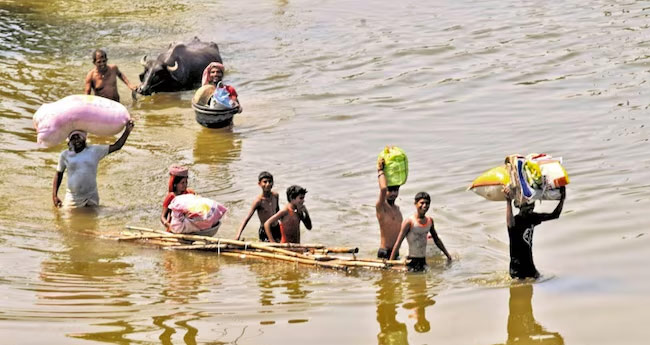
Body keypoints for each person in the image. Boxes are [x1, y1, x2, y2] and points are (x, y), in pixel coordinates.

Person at [52, 120, 134, 208]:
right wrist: (54, 196)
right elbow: (58, 174)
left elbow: (117, 146)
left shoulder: (94, 150)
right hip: (73, 198)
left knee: (93, 220)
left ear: (84, 138)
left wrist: (127, 131)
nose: (76, 140)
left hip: (92, 196)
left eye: (78, 137)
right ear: (69, 142)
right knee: (67, 219)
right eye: (73, 138)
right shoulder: (65, 155)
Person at [504, 185, 566, 279]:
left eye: (532, 204)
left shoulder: (532, 218)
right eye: (529, 205)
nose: (532, 207)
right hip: (517, 269)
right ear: (520, 206)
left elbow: (555, 215)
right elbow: (509, 223)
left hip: (530, 267)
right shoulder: (515, 222)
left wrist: (562, 198)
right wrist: (508, 201)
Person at [389, 192, 452, 272]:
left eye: (427, 203)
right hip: (411, 261)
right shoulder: (409, 222)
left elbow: (436, 240)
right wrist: (390, 262)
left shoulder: (429, 221)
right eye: (422, 203)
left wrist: (448, 255)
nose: (425, 205)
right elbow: (398, 242)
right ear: (415, 204)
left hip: (423, 261)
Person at [234, 171, 281, 241]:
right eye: (265, 182)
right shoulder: (258, 201)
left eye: (270, 181)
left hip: (276, 228)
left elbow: (278, 212)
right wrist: (238, 235)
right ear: (259, 184)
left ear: (273, 183)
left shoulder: (275, 196)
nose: (268, 184)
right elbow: (247, 218)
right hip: (264, 231)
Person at [376, 157, 403, 259]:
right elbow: (383, 188)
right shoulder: (381, 207)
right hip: (384, 252)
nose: (393, 193)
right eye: (390, 190)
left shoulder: (398, 209)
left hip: (395, 252)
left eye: (395, 190)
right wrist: (380, 170)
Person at [160, 165, 196, 231]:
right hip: (174, 229)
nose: (185, 185)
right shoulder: (171, 197)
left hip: (189, 228)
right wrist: (169, 225)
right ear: (175, 184)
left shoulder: (191, 193)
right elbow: (163, 217)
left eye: (186, 182)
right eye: (182, 183)